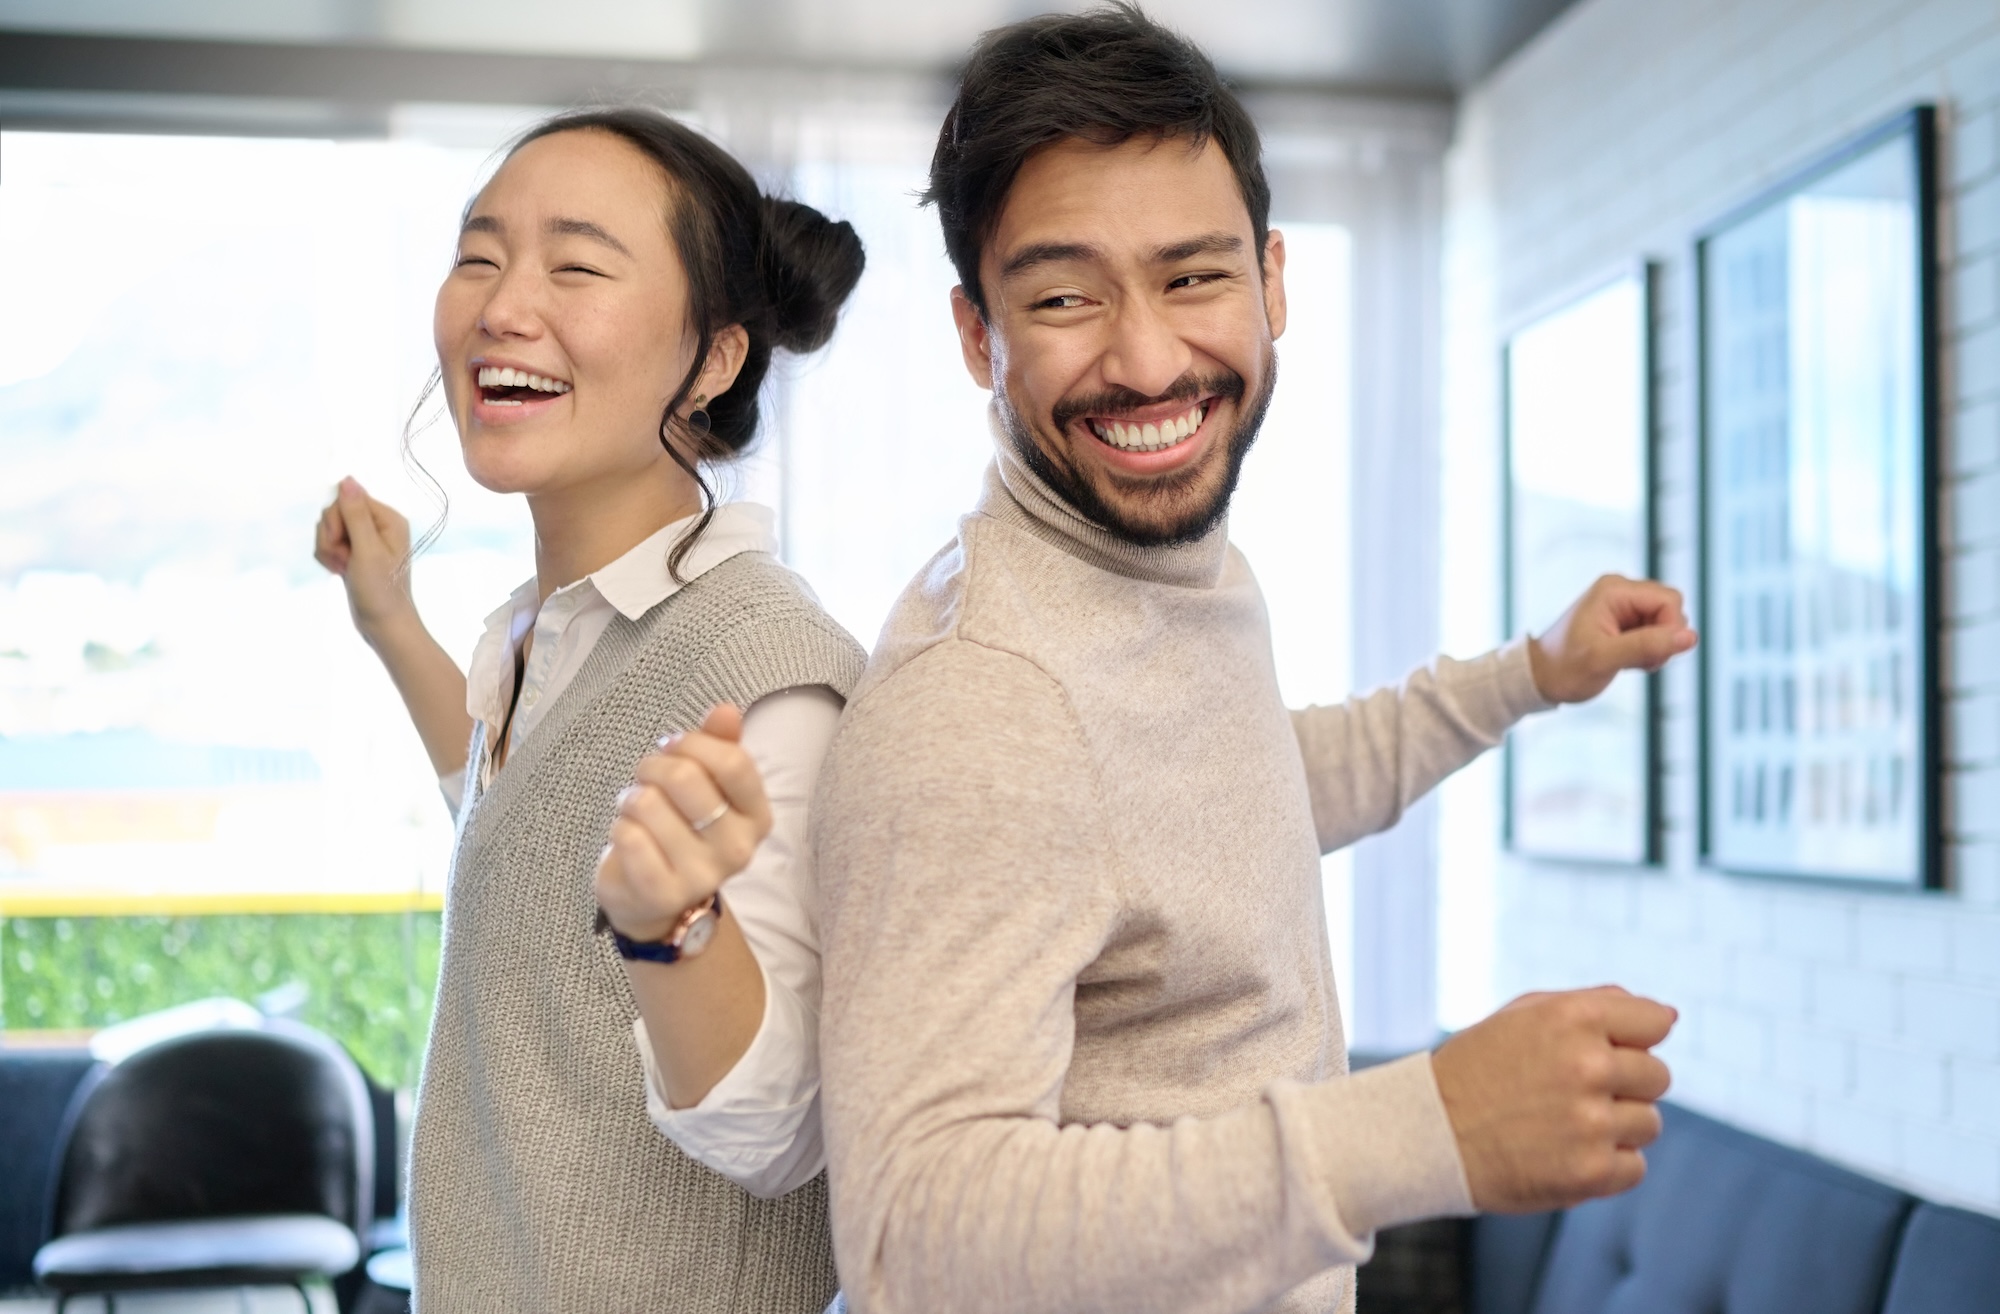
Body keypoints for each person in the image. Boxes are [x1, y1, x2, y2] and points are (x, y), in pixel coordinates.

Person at [810, 8, 1697, 1314]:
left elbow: (1233, 802)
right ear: (977, 334)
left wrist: (1529, 674)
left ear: (1272, 281)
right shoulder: (980, 698)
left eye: (1192, 277)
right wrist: (1427, 1126)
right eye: (1064, 298)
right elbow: (912, 1239)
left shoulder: (1170, 577)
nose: (1147, 359)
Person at [313, 106, 864, 1310]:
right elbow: (517, 830)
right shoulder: (554, 628)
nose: (504, 306)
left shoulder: (767, 676)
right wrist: (389, 619)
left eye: (575, 266)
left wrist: (673, 930)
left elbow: (783, 1134)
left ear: (713, 360)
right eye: (479, 255)